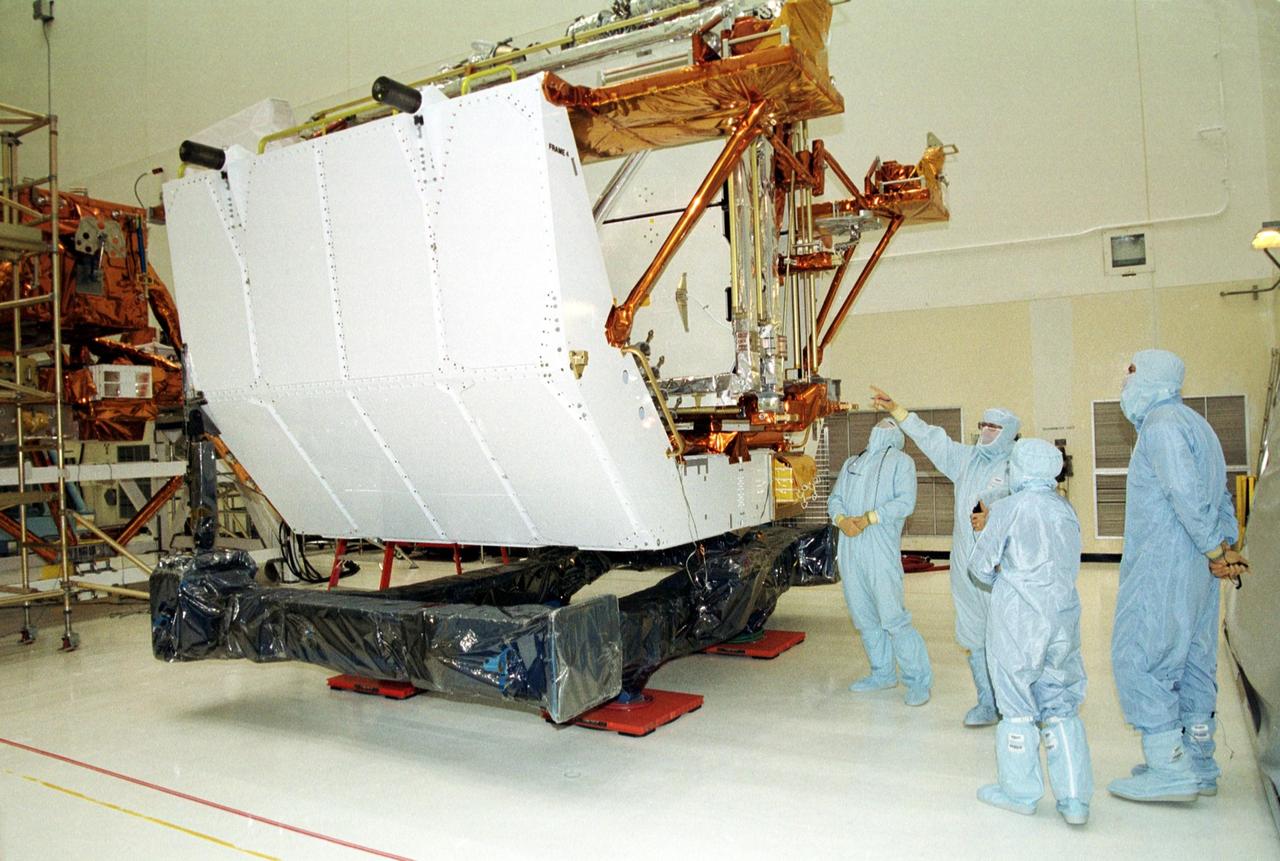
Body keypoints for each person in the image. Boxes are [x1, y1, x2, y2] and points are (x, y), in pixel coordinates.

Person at [1108, 349, 1248, 803]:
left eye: (1131, 375)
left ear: (1150, 377)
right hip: (1199, 569)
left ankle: (1168, 767)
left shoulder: (1161, 426)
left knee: (1143, 657)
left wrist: (1213, 547)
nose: (1125, 384)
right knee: (1193, 661)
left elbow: (1184, 493)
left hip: (1163, 566)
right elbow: (1220, 493)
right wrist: (1222, 549)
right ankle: (1199, 758)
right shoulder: (1197, 425)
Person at [871, 386, 1019, 726]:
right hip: (966, 569)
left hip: (1002, 571)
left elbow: (1029, 508)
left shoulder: (1016, 466)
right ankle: (988, 703)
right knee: (973, 635)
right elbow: (932, 438)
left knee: (1008, 637)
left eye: (993, 428)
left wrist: (996, 514)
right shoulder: (966, 460)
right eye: (983, 425)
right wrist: (898, 410)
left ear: (1008, 432)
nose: (985, 432)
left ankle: (1016, 705)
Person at [968, 438, 1093, 825]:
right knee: (1060, 703)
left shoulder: (1009, 508)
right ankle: (1074, 800)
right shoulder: (1064, 509)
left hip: (1018, 619)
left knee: (1017, 704)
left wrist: (1007, 574)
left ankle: (1019, 792)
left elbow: (979, 566)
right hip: (1061, 616)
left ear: (1019, 469)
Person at [827, 417, 932, 706]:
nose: (883, 427)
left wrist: (870, 517)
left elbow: (905, 502)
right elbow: (834, 498)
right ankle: (882, 673)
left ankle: (918, 680)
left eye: (890, 425)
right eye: (880, 424)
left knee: (893, 617)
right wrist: (841, 519)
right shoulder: (853, 462)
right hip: (850, 547)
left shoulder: (902, 462)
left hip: (880, 548)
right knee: (864, 616)